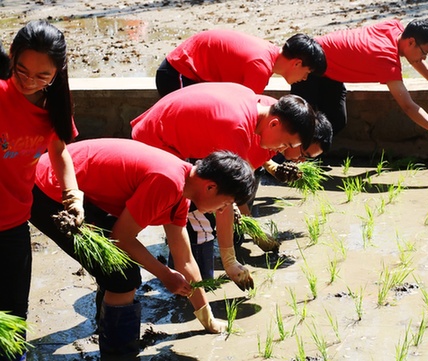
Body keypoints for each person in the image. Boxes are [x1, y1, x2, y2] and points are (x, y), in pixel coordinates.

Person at [30, 138, 256, 359]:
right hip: (49, 188)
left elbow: (185, 259)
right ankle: (119, 354)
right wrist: (165, 274)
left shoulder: (182, 189)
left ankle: (107, 330)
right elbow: (121, 238)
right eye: (225, 204)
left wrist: (208, 320)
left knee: (116, 268)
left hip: (82, 193)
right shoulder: (168, 182)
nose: (222, 209)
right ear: (210, 187)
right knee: (123, 276)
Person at [131, 81, 316, 288]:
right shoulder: (235, 129)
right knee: (195, 218)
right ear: (274, 124)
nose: (282, 150)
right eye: (286, 144)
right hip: (155, 145)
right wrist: (230, 261)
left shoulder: (256, 104)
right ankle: (184, 287)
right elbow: (224, 201)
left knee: (193, 214)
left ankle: (185, 280)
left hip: (167, 137)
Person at [0, 20, 84, 361]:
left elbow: (59, 150)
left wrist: (72, 194)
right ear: (11, 57)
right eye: (21, 71)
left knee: (13, 319)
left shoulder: (52, 109)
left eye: (42, 76)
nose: (29, 82)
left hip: (13, 224)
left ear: (58, 71)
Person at [291, 18, 428, 157]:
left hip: (330, 72)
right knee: (302, 124)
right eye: (424, 52)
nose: (424, 58)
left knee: (336, 121)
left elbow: (415, 59)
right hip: (308, 65)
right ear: (411, 42)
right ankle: (281, 163)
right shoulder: (386, 60)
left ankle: (305, 158)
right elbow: (408, 106)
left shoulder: (394, 27)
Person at [155, 29, 327, 97]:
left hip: (191, 77)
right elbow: (246, 116)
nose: (304, 78)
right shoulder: (260, 67)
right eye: (307, 73)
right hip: (177, 74)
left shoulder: (267, 55)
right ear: (296, 63)